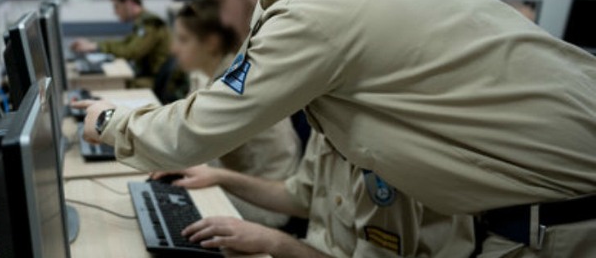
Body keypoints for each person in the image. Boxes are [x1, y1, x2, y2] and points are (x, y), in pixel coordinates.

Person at [73, 0, 596, 257]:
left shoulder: (306, 17)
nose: (221, 15)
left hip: (556, 223)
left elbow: (199, 124)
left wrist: (109, 120)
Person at [153, 132, 475, 257]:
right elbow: (298, 196)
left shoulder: (382, 157)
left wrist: (274, 241)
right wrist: (219, 176)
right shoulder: (330, 125)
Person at [170, 0, 301, 227]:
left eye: (183, 39)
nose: (173, 48)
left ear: (211, 42)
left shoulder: (236, 83)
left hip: (267, 202)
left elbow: (188, 140)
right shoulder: (205, 73)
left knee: (178, 206)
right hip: (230, 177)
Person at [70, 0, 170, 87]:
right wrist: (94, 45)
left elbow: (130, 51)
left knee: (115, 85)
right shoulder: (141, 23)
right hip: (147, 76)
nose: (115, 12)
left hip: (156, 81)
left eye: (117, 6)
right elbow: (124, 44)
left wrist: (96, 47)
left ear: (128, 3)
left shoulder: (150, 24)